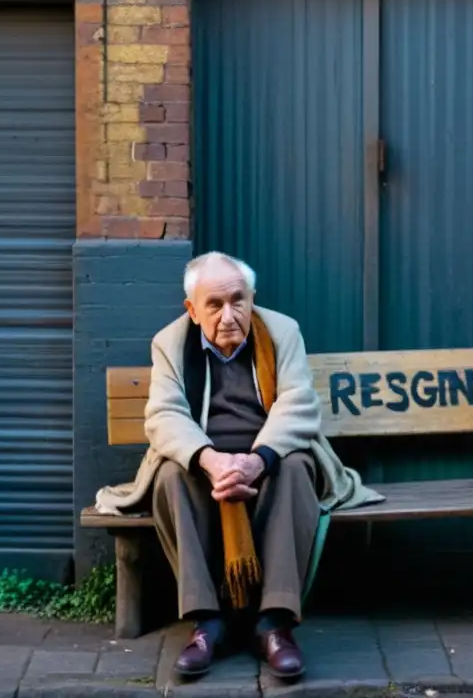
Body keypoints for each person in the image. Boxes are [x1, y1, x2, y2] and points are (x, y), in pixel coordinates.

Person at [95, 251, 383, 681]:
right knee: (171, 476)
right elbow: (164, 416)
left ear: (252, 298)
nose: (228, 315)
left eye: (238, 300)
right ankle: (207, 621)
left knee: (295, 470)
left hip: (269, 453)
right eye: (214, 304)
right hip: (203, 457)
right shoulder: (170, 343)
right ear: (192, 310)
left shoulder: (283, 332)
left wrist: (257, 460)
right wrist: (210, 461)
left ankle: (274, 624)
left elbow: (298, 405)